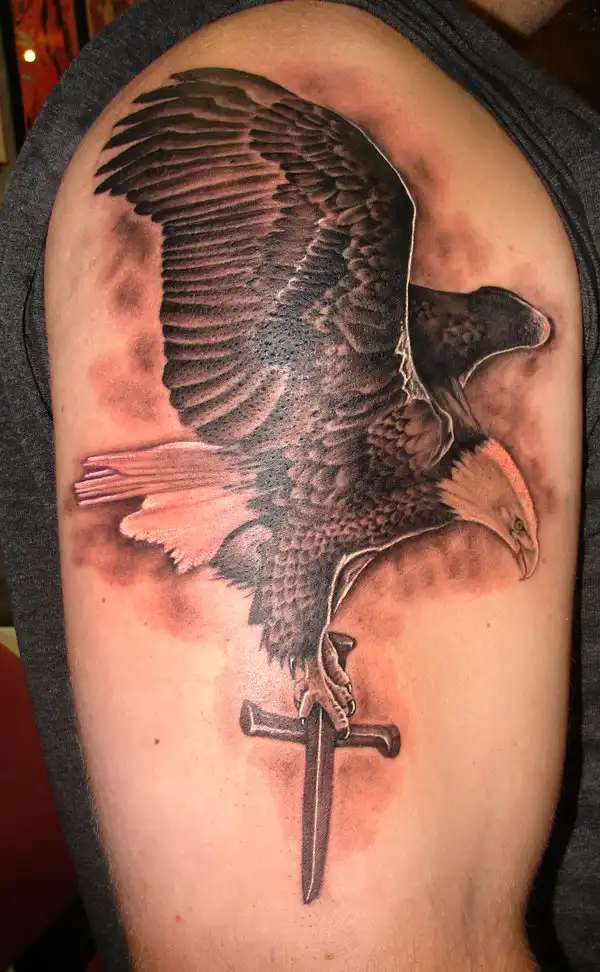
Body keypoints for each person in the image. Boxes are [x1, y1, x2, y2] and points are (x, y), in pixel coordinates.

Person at [1, 1, 599, 969]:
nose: (507, 527)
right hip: (256, 486)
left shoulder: (480, 122)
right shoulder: (316, 56)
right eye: (505, 517)